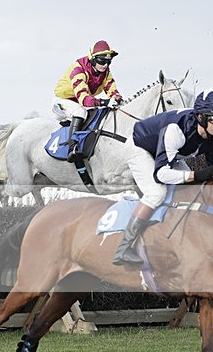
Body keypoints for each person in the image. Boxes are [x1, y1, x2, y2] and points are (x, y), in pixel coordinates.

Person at [112, 89, 213, 265]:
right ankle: (123, 248)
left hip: (169, 152)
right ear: (201, 118)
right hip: (141, 148)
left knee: (190, 187)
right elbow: (160, 174)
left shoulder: (208, 133)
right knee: (157, 193)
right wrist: (195, 174)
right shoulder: (177, 130)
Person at [53, 40, 124, 163]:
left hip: (79, 103)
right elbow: (84, 99)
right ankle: (72, 148)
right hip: (62, 101)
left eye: (108, 61)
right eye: (102, 61)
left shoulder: (106, 73)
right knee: (81, 112)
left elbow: (111, 90)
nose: (105, 65)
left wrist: (117, 98)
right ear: (92, 59)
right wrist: (104, 102)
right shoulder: (78, 69)